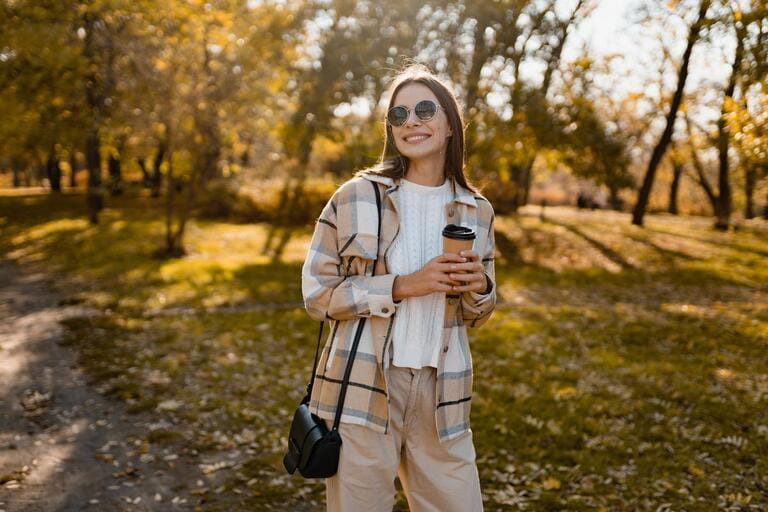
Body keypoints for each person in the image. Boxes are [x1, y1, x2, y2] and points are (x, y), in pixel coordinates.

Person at [301, 63, 497, 512]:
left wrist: (479, 285)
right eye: (399, 114)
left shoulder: (477, 209)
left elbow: (480, 311)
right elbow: (317, 292)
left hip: (442, 392)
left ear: (450, 123)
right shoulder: (355, 196)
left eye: (425, 109)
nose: (411, 121)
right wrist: (402, 286)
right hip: (363, 386)